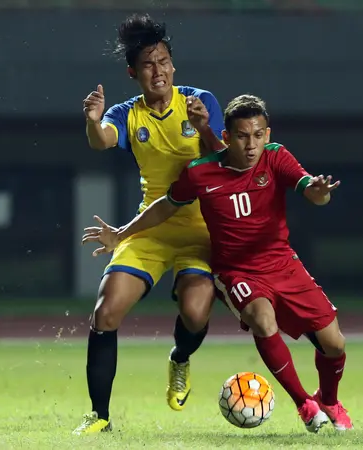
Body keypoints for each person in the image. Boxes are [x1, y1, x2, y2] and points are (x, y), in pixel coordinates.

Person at [82, 94, 353, 433]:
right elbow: (166, 205)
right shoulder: (200, 173)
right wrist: (122, 233)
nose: (251, 144)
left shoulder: (276, 156)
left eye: (257, 135)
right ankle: (305, 405)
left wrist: (320, 191)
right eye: (242, 136)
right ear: (227, 137)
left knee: (335, 343)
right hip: (236, 269)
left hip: (283, 263)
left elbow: (313, 192)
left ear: (267, 134)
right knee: (262, 319)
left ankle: (328, 399)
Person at [73, 13, 226, 434]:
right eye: (147, 64)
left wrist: (204, 129)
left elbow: (226, 158)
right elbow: (102, 139)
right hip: (150, 226)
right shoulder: (127, 113)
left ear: (173, 65)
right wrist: (92, 120)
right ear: (133, 72)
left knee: (196, 314)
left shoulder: (199, 101)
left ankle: (179, 358)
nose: (157, 71)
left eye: (163, 62)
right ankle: (99, 417)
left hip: (200, 230)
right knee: (106, 311)